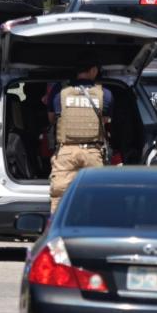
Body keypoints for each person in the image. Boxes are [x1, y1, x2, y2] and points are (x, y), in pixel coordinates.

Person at [49, 61, 111, 211]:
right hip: (93, 152)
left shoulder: (59, 91)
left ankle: (59, 232)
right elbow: (105, 121)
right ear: (94, 70)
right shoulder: (105, 93)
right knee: (97, 198)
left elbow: (52, 119)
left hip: (66, 151)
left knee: (60, 197)